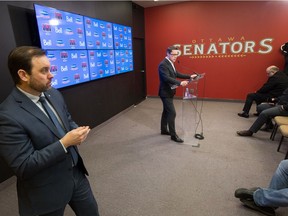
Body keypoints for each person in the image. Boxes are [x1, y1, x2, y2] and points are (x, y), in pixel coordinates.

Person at [0, 46, 100, 216]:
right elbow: (24, 165)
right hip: (45, 190)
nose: (51, 75)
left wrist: (76, 129)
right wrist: (65, 143)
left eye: (50, 69)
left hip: (76, 175)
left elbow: (66, 119)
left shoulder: (53, 93)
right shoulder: (7, 115)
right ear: (23, 75)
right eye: (44, 70)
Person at [158, 45, 198, 143]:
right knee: (172, 112)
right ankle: (173, 135)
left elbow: (176, 74)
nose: (175, 56)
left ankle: (163, 130)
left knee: (166, 111)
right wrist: (180, 83)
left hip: (170, 91)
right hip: (165, 92)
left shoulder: (170, 62)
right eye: (173, 54)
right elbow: (166, 78)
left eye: (177, 54)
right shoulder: (163, 64)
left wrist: (189, 76)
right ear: (167, 53)